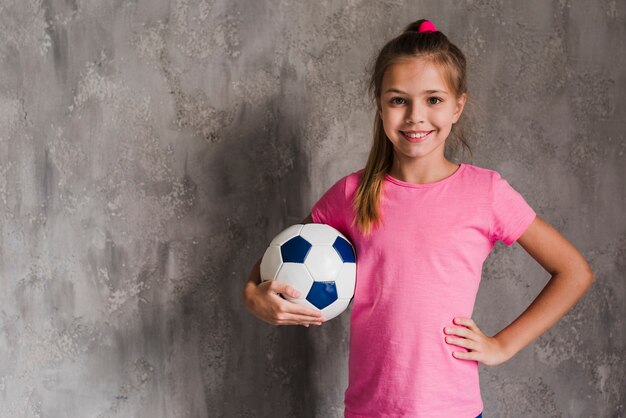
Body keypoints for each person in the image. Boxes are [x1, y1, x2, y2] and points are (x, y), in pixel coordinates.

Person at [242, 19, 594, 418]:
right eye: (398, 100)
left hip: (454, 410)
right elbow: (276, 262)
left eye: (433, 100)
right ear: (380, 104)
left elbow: (574, 271)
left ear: (458, 105)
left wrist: (503, 345)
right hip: (369, 411)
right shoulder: (352, 194)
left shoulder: (486, 193)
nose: (415, 116)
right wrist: (254, 297)